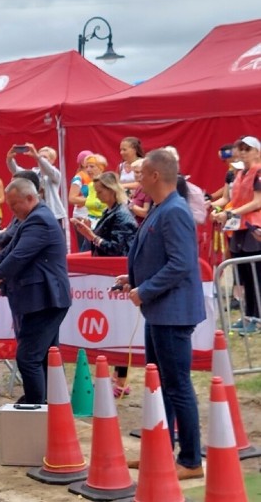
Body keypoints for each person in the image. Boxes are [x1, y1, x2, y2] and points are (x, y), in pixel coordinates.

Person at [117, 148, 205, 481]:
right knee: (161, 384)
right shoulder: (160, 208)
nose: (136, 179)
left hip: (172, 312)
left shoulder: (174, 211)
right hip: (160, 310)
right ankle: (161, 449)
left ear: (156, 176)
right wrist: (133, 280)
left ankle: (191, 459)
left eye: (140, 174)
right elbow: (159, 256)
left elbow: (181, 264)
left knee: (177, 385)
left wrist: (145, 289)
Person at [0, 178, 71, 404]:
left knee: (28, 357)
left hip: (46, 300)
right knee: (44, 356)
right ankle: (47, 403)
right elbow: (8, 251)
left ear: (30, 198)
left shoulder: (40, 220)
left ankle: (35, 405)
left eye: (14, 205)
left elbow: (18, 257)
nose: (11, 210)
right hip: (39, 298)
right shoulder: (30, 217)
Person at [71, 172, 138, 396]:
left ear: (111, 190)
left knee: (121, 328)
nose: (97, 196)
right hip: (112, 275)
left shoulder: (122, 216)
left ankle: (120, 380)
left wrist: (92, 236)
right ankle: (118, 377)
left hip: (119, 275)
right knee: (117, 327)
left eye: (100, 192)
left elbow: (116, 249)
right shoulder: (112, 212)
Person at [211, 135, 261, 334]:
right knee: (244, 274)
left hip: (254, 227)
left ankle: (257, 319)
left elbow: (258, 202)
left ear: (257, 151)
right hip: (239, 227)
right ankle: (249, 314)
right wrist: (218, 209)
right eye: (240, 149)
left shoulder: (258, 173)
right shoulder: (238, 174)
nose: (242, 153)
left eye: (247, 149)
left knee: (256, 275)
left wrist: (230, 212)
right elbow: (230, 199)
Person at [5, 144, 65, 228]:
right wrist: (10, 159)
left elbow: (49, 170)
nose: (41, 159)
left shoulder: (55, 174)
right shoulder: (34, 173)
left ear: (52, 160)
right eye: (40, 156)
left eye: (45, 157)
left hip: (53, 214)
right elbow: (17, 171)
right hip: (37, 213)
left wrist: (38, 157)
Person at [68, 149, 94, 251]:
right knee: (85, 247)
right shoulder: (78, 178)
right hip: (82, 216)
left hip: (93, 215)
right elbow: (72, 198)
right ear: (83, 163)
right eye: (89, 162)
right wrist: (93, 199)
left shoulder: (94, 176)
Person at [127, 158, 152, 225]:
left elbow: (145, 213)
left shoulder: (149, 189)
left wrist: (129, 203)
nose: (135, 175)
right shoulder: (139, 187)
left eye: (138, 172)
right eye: (134, 172)